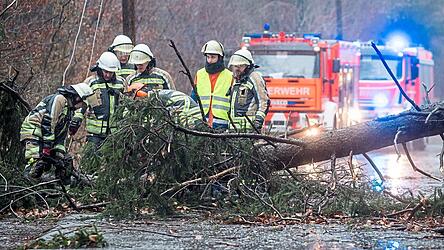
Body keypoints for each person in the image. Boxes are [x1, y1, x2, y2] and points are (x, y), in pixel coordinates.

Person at [20, 83, 96, 183]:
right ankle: (25, 185)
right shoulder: (59, 99)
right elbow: (48, 122)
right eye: (82, 104)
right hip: (34, 132)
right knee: (36, 163)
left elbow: (61, 135)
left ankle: (56, 187)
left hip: (46, 136)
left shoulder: (69, 111)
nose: (81, 107)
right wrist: (47, 147)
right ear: (77, 98)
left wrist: (59, 155)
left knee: (62, 162)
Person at [69, 51, 126, 146]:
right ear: (100, 68)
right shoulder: (91, 82)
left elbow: (126, 104)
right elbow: (82, 103)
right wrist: (76, 120)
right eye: (106, 72)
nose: (108, 75)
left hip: (115, 132)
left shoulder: (121, 83)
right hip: (94, 134)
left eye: (111, 73)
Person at [192, 40, 233, 129]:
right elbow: (193, 98)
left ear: (220, 57)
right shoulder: (199, 74)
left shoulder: (230, 76)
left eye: (213, 57)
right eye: (208, 57)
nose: (210, 60)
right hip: (202, 121)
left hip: (222, 123)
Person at [227, 49, 270, 132]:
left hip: (249, 131)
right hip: (233, 131)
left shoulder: (255, 77)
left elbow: (264, 102)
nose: (237, 69)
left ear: (248, 66)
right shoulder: (235, 80)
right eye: (235, 66)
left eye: (240, 66)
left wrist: (258, 122)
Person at [127, 83, 202, 128]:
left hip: (190, 114)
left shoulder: (156, 99)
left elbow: (158, 119)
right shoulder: (159, 95)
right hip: (191, 112)